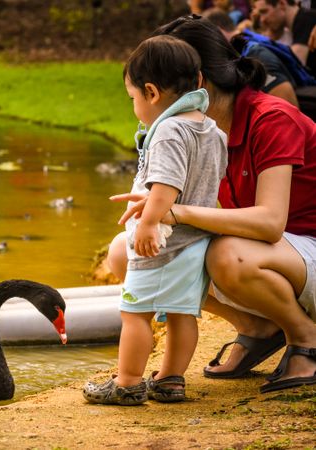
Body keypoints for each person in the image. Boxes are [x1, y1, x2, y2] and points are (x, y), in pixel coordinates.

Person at [107, 15, 316, 394]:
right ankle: (257, 327)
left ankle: (306, 336)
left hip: (304, 245)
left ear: (196, 80)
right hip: (280, 255)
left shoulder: (270, 118)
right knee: (128, 250)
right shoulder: (197, 132)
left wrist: (175, 213)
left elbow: (269, 223)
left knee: (226, 253)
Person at [83, 35, 228, 406]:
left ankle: (128, 382)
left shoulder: (168, 130)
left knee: (134, 314)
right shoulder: (211, 131)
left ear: (150, 92)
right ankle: (170, 379)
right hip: (196, 242)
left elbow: (168, 184)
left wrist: (148, 223)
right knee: (182, 315)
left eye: (132, 98)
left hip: (161, 242)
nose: (134, 106)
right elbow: (200, 183)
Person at [253, 0, 316, 72]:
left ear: (282, 4)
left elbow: (293, 66)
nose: (262, 19)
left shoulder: (305, 20)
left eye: (264, 12)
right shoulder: (301, 20)